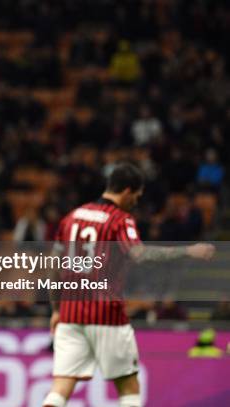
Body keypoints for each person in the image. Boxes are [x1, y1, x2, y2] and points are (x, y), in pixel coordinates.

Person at [43, 162, 215, 407]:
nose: (136, 201)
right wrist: (188, 251)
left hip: (70, 313)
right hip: (106, 313)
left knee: (60, 389)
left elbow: (54, 267)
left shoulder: (72, 217)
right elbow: (140, 255)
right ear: (126, 191)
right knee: (129, 388)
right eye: (136, 196)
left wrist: (56, 310)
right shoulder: (120, 220)